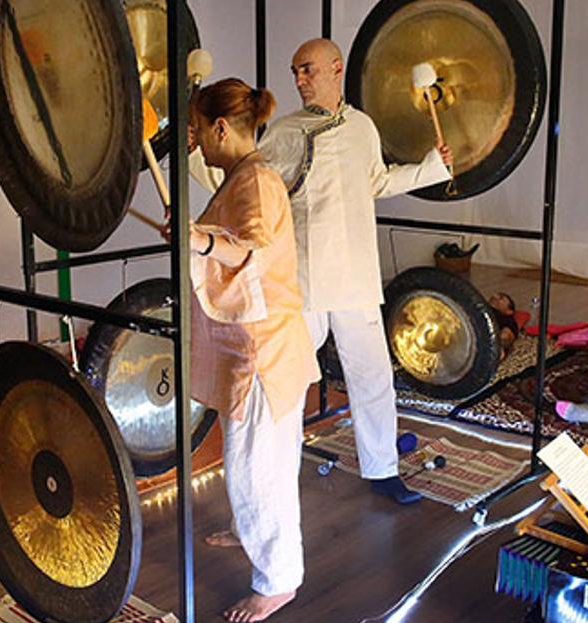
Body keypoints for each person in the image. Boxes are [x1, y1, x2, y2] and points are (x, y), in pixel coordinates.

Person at [191, 38, 454, 505]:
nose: (300, 80)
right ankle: (275, 486)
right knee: (285, 383)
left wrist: (431, 169)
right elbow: (243, 179)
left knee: (372, 377)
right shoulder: (285, 131)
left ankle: (382, 469)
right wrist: (197, 155)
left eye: (308, 69)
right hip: (302, 278)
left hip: (355, 274)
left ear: (337, 68)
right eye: (295, 71)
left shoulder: (362, 128)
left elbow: (377, 182)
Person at [182, 78, 320, 623]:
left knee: (256, 468)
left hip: (263, 349)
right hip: (261, 343)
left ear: (221, 127)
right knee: (262, 458)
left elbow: (253, 250)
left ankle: (278, 579)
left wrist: (197, 240)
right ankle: (249, 530)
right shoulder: (240, 176)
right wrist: (197, 234)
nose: (194, 141)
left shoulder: (256, 179)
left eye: (197, 130)